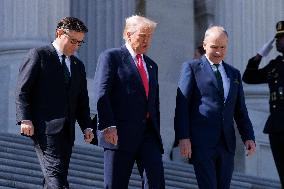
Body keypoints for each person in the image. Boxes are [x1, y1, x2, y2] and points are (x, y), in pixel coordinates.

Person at [15, 17, 94, 189]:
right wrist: (25, 119)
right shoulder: (39, 55)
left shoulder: (77, 65)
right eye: (73, 41)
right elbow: (23, 90)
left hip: (67, 131)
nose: (76, 46)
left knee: (56, 175)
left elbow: (82, 100)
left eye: (80, 43)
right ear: (59, 33)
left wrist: (87, 126)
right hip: (44, 128)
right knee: (55, 172)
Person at [174, 26, 256, 189]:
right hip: (202, 141)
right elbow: (182, 105)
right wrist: (183, 137)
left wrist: (249, 136)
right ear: (204, 45)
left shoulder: (234, 74)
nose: (218, 52)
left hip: (226, 143)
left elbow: (240, 110)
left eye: (223, 47)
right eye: (214, 47)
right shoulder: (192, 68)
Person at [94, 15, 165, 189]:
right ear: (128, 34)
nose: (147, 41)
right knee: (116, 184)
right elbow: (102, 93)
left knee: (156, 182)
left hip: (148, 134)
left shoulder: (151, 65)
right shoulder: (112, 57)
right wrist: (108, 125)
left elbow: (153, 103)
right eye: (142, 36)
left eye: (149, 36)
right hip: (119, 133)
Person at [242, 21, 284, 188]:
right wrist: (259, 56)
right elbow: (249, 78)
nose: (277, 41)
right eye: (277, 38)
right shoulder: (275, 65)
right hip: (277, 126)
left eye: (281, 38)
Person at [170, 45, 205, 162]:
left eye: (196, 55)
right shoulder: (190, 73)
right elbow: (183, 103)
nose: (193, 58)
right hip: (189, 132)